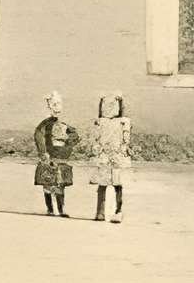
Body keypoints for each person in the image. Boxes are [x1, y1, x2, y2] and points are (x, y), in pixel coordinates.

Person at [33, 91, 83, 217]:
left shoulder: (65, 123)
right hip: (49, 156)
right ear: (49, 106)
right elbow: (39, 136)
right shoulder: (44, 124)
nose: (57, 107)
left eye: (59, 104)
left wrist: (68, 142)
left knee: (60, 184)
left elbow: (75, 136)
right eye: (54, 104)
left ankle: (60, 210)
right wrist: (43, 153)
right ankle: (50, 209)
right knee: (48, 183)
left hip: (61, 156)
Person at [88, 92, 132, 223]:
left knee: (118, 184)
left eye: (113, 105)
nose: (110, 108)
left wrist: (121, 101)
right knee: (102, 184)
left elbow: (126, 139)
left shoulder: (123, 122)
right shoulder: (101, 122)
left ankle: (118, 211)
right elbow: (96, 135)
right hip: (105, 156)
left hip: (117, 156)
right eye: (107, 105)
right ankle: (100, 212)